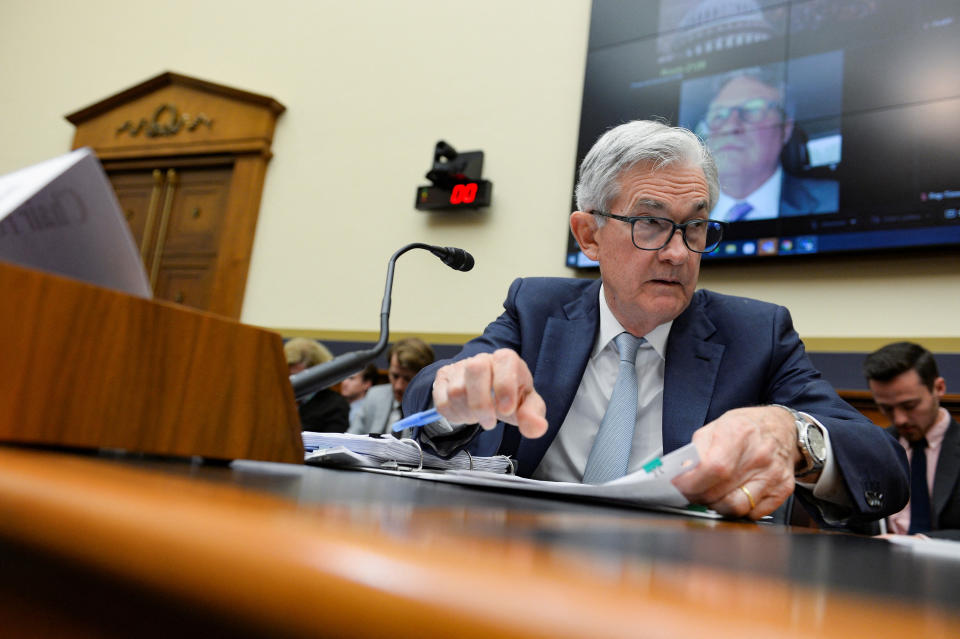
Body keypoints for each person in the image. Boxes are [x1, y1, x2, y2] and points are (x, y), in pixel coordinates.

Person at [403, 119, 907, 525]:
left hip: (680, 585)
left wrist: (794, 435)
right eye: (650, 222)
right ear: (589, 235)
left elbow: (882, 464)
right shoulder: (537, 308)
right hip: (527, 560)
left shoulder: (756, 334)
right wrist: (457, 392)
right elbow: (430, 394)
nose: (676, 253)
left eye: (695, 226)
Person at [701, 69, 838, 221]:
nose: (730, 126)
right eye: (718, 115)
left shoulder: (832, 198)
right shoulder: (680, 211)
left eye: (753, 110)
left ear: (785, 129)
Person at [863, 342, 960, 539]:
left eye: (909, 405)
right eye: (887, 408)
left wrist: (920, 543)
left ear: (939, 388)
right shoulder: (872, 447)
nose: (899, 419)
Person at [348, 337, 435, 436]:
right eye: (395, 376)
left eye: (408, 379)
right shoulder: (375, 395)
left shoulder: (433, 407)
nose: (398, 386)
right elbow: (351, 437)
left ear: (423, 378)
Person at [284, 337, 350, 433]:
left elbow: (333, 444)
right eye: (289, 375)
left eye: (298, 376)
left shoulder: (335, 404)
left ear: (318, 373)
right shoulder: (279, 399)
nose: (293, 381)